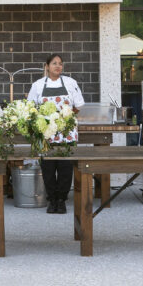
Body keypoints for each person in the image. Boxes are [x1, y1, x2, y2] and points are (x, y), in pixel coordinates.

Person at [27, 54, 85, 213]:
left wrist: (67, 117)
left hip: (66, 132)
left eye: (60, 63)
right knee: (48, 168)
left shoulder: (70, 83)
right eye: (54, 63)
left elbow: (79, 104)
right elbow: (31, 107)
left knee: (65, 168)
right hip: (44, 134)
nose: (58, 66)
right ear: (47, 66)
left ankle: (62, 200)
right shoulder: (38, 85)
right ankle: (51, 200)